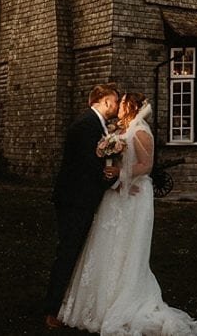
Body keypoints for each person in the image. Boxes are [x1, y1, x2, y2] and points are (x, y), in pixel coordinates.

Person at [58, 92, 197, 335]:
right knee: (106, 243)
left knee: (126, 245)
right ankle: (98, 298)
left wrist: (120, 174)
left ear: (129, 107)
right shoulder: (123, 130)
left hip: (134, 195)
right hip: (117, 194)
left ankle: (123, 293)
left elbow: (147, 165)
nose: (118, 107)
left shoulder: (140, 131)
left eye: (121, 104)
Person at [44, 83, 121, 329]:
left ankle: (64, 303)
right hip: (75, 199)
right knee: (68, 251)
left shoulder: (95, 124)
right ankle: (52, 309)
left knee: (74, 251)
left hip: (80, 197)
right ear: (105, 101)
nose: (118, 107)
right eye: (115, 102)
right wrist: (109, 178)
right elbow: (87, 165)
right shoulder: (86, 125)